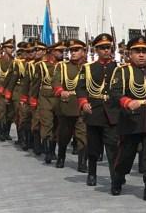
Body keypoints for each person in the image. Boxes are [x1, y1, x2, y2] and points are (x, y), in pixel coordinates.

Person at [109, 35, 146, 202]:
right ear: (129, 54)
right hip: (131, 120)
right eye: (137, 51)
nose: (141, 55)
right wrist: (127, 102)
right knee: (126, 155)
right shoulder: (123, 71)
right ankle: (118, 178)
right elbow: (114, 92)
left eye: (144, 51)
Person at [76, 34, 119, 188]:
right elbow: (80, 88)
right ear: (96, 50)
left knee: (113, 147)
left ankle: (115, 178)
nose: (106, 51)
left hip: (112, 112)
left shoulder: (118, 68)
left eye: (108, 47)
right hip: (94, 111)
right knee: (93, 147)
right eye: (102, 48)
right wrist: (83, 102)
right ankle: (92, 173)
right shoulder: (88, 68)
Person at [51, 38, 88, 168]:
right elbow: (55, 81)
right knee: (64, 134)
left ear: (83, 52)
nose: (73, 53)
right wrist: (61, 91)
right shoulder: (62, 66)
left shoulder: (88, 67)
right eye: (71, 50)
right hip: (67, 105)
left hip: (82, 105)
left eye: (76, 50)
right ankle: (61, 156)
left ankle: (82, 162)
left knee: (82, 134)